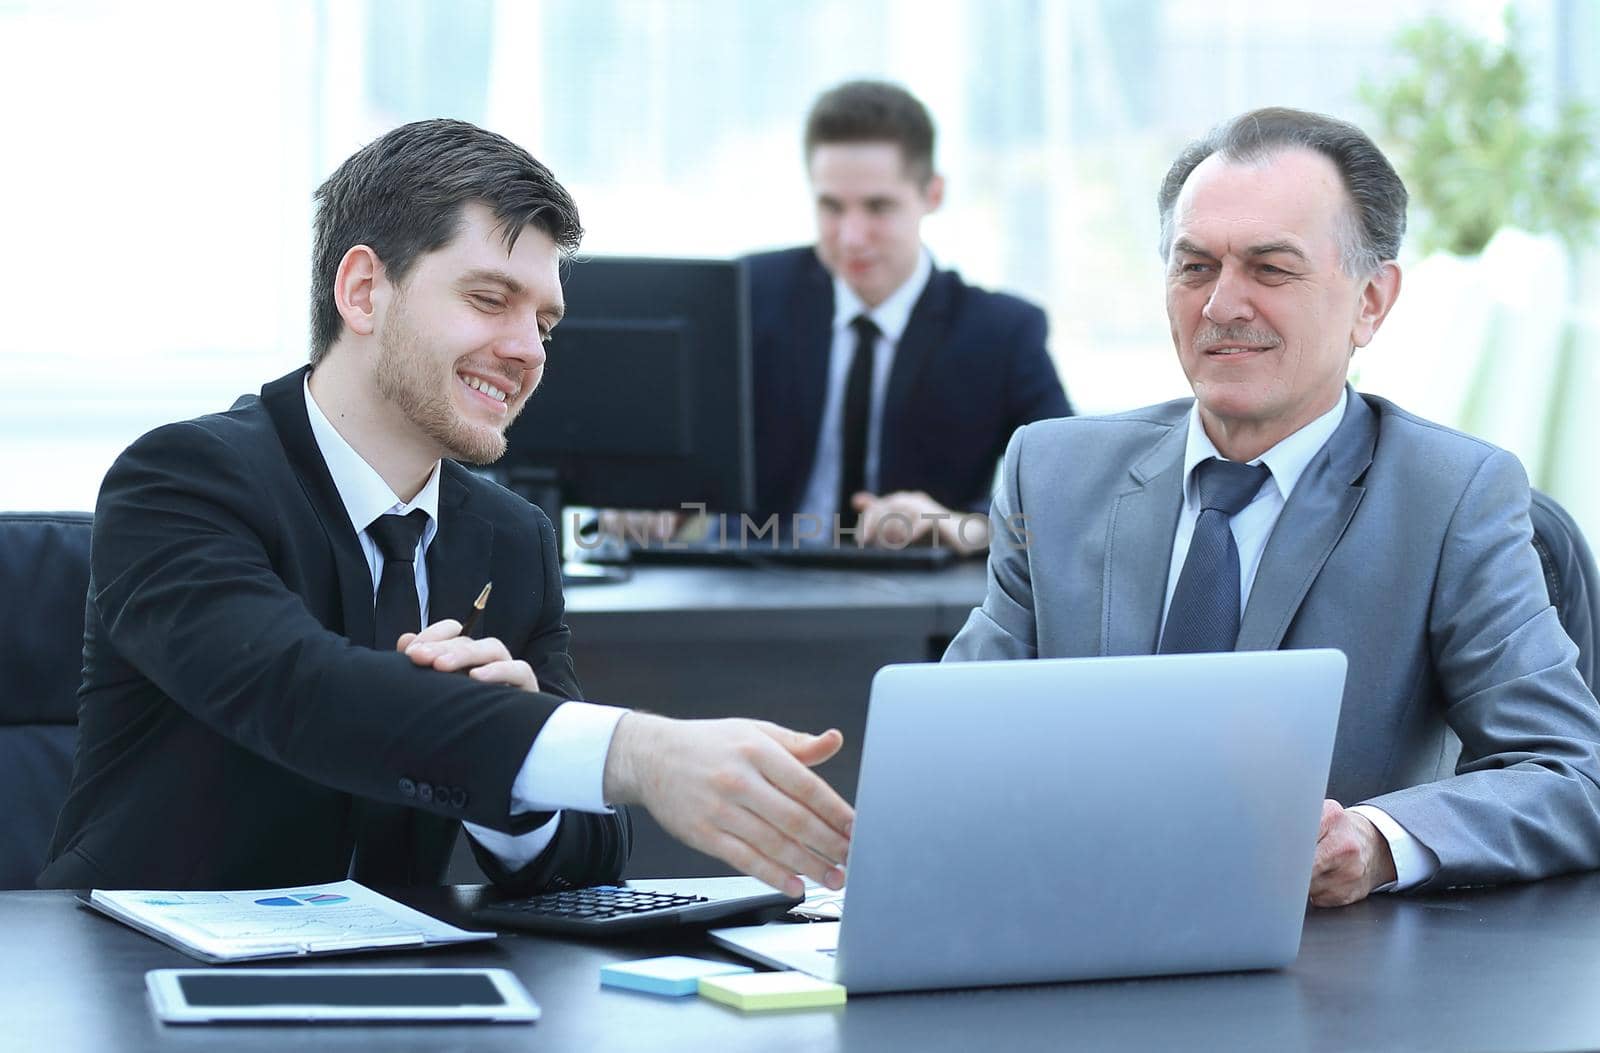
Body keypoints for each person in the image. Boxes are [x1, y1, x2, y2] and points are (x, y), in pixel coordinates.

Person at [40, 119, 852, 898]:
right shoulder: (183, 480)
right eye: (490, 299)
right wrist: (635, 751)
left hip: (395, 996)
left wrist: (511, 781)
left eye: (543, 321)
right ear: (363, 291)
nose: (530, 349)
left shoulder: (510, 540)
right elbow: (301, 693)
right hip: (135, 977)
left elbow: (589, 859)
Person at [944, 107, 1600, 906]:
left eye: (1270, 268)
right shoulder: (1051, 471)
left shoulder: (1450, 498)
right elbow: (956, 744)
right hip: (1068, 931)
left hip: (1323, 976)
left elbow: (1568, 772)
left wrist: (1379, 842)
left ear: (1371, 300)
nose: (1222, 304)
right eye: (1194, 267)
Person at [746, 80, 1071, 551]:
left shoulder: (1001, 332)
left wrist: (961, 526)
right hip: (752, 590)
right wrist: (655, 504)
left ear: (932, 194)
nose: (852, 237)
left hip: (916, 608)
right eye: (831, 207)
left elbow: (1070, 492)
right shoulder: (750, 296)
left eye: (878, 207)